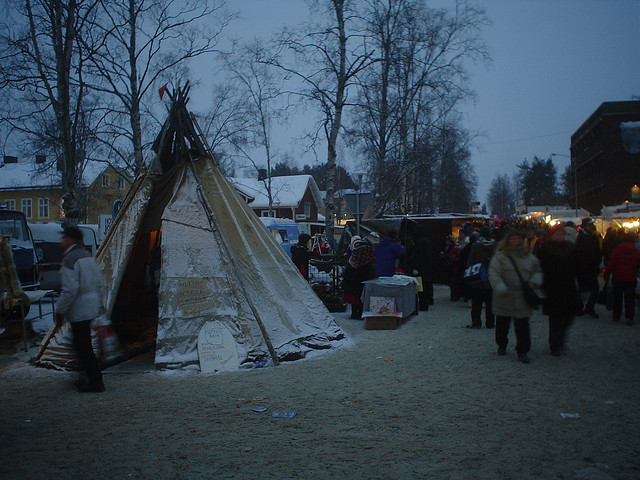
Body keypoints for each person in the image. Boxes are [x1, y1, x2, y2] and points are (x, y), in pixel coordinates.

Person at [55, 226, 105, 392]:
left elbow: (69, 289)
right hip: (90, 305)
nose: (62, 241)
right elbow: (99, 281)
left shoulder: (70, 258)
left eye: (64, 238)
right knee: (82, 344)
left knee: (82, 346)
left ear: (70, 239)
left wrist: (60, 310)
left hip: (79, 307)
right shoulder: (87, 256)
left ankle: (94, 381)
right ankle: (88, 377)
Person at [488, 229, 543, 363]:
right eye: (512, 239)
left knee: (522, 326)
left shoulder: (528, 257)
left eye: (518, 239)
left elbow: (538, 271)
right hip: (504, 296)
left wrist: (535, 282)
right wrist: (500, 287)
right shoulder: (500, 257)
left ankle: (523, 351)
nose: (515, 242)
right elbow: (493, 274)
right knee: (502, 324)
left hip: (522, 297)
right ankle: (502, 344)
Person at [537, 224, 577, 356]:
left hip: (568, 287)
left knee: (568, 316)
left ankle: (560, 338)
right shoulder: (545, 249)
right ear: (552, 235)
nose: (559, 237)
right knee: (554, 318)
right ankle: (554, 344)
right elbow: (539, 267)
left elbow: (578, 266)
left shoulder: (571, 248)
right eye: (557, 234)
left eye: (561, 234)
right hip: (551, 287)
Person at [603, 231, 640, 325]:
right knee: (630, 299)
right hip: (631, 278)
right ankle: (629, 317)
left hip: (618, 277)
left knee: (618, 298)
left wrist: (606, 275)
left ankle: (617, 315)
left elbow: (611, 264)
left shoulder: (617, 250)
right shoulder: (635, 251)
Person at [466, 227, 495, 328]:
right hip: (491, 278)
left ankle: (476, 323)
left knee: (476, 304)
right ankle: (490, 323)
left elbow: (470, 261)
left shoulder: (476, 246)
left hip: (478, 278)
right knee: (490, 304)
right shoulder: (495, 246)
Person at [575, 217, 602, 318]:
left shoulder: (592, 237)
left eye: (591, 225)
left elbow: (597, 252)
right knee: (587, 289)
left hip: (591, 268)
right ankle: (583, 308)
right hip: (585, 268)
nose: (591, 226)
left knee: (591, 289)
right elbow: (581, 254)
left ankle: (586, 307)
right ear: (585, 226)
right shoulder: (582, 238)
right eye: (589, 225)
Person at [342, 237, 375, 319]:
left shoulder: (355, 254)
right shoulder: (367, 254)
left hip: (351, 278)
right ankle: (360, 312)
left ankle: (354, 313)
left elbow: (348, 268)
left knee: (353, 297)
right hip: (362, 277)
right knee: (361, 296)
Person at [409, 225, 433, 310]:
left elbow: (418, 255)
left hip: (421, 268)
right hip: (427, 267)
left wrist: (415, 265)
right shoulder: (427, 240)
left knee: (421, 287)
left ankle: (423, 304)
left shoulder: (420, 242)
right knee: (426, 286)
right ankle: (428, 301)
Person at [441, 235, 462, 301]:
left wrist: (450, 258)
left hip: (454, 267)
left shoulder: (455, 248)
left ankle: (455, 295)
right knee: (451, 281)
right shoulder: (447, 247)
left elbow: (457, 257)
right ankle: (454, 295)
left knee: (454, 282)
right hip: (450, 266)